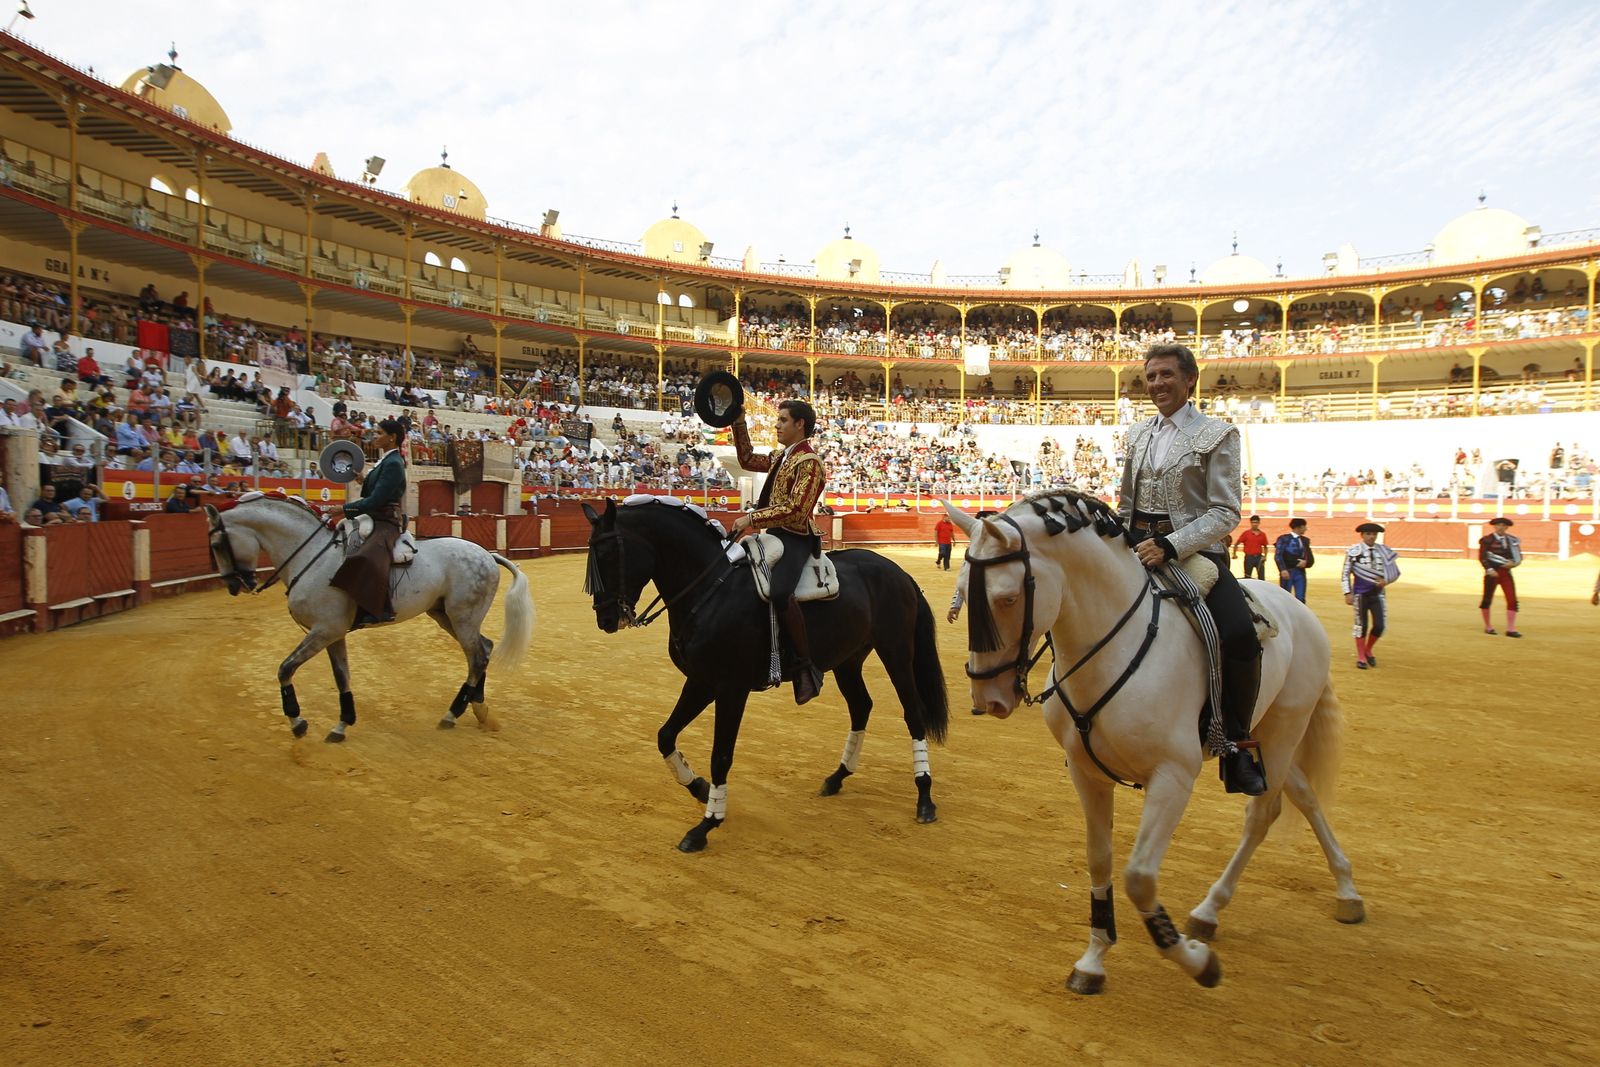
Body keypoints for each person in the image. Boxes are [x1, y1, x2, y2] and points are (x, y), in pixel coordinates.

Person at [1118, 343, 1266, 796]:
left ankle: (1237, 743)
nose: (1157, 384)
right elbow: (1126, 503)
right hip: (1138, 546)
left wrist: (1171, 544)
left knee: (1239, 634)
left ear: (1189, 380)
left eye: (1166, 375)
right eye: (1150, 376)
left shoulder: (1218, 433)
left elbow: (1225, 513)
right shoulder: (1137, 434)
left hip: (1195, 552)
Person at [728, 399, 827, 704]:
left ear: (800, 425)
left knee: (781, 592)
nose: (776, 424)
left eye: (783, 420)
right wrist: (739, 421)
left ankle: (805, 666)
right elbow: (745, 459)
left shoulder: (809, 462)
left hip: (796, 538)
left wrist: (752, 518)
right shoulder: (780, 458)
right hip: (772, 535)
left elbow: (797, 511)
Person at [330, 417, 408, 628]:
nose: (375, 436)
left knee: (370, 555)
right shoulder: (386, 460)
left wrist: (345, 509)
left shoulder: (393, 463)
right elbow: (377, 489)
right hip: (376, 516)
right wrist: (364, 480)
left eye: (379, 433)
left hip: (386, 520)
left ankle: (381, 608)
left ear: (392, 438)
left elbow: (377, 500)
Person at [1342, 522, 1399, 669]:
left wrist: (1386, 580)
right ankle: (1361, 657)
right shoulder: (1354, 551)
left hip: (1378, 594)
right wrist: (1347, 592)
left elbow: (1394, 571)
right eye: (1368, 534)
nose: (1371, 537)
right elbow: (1346, 573)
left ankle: (1368, 649)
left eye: (1374, 534)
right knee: (1362, 626)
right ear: (1362, 535)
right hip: (1360, 594)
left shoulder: (1383, 551)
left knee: (1379, 626)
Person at [1478, 517, 1522, 637]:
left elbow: (1518, 557)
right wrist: (1489, 569)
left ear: (1507, 527)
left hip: (1506, 573)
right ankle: (1488, 626)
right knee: (1487, 599)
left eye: (1503, 525)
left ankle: (1511, 628)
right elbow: (1482, 557)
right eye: (1498, 525)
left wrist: (1514, 564)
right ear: (1494, 526)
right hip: (1492, 573)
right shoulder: (1487, 540)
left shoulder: (1512, 540)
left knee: (1512, 600)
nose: (1501, 527)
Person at [1275, 518, 1314, 602]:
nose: (1306, 529)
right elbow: (1278, 555)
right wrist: (1282, 569)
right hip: (1288, 571)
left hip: (1300, 572)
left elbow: (1310, 558)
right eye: (1304, 526)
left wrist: (1306, 563)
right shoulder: (1283, 539)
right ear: (1298, 527)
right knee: (1285, 597)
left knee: (1301, 598)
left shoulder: (1305, 540)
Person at [1233, 514, 1269, 580]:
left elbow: (1265, 546)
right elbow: (1236, 544)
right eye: (1253, 522)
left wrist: (1265, 556)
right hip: (1249, 558)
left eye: (1256, 522)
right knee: (1247, 577)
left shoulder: (1262, 534)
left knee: (1261, 578)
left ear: (1259, 523)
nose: (1254, 524)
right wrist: (1234, 554)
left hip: (1259, 558)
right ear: (1251, 523)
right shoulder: (1246, 534)